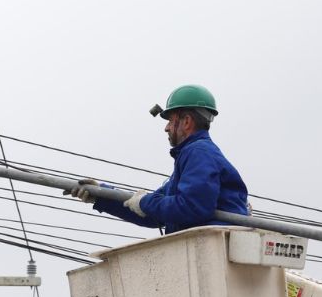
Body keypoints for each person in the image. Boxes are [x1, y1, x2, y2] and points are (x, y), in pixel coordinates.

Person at [65, 85, 249, 233]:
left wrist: (144, 202)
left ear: (186, 122)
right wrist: (102, 195)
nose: (166, 128)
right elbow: (154, 215)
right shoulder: (193, 156)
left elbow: (192, 207)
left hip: (213, 247)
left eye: (170, 120)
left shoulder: (198, 153)